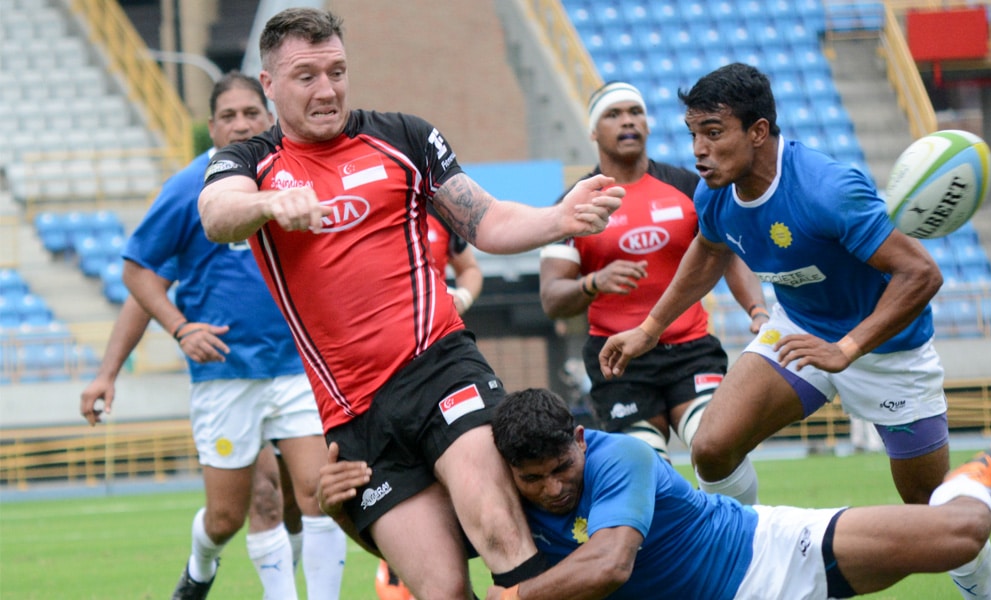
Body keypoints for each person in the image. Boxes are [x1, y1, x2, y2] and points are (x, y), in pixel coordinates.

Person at [196, 8, 623, 600]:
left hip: (440, 369)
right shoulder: (251, 161)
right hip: (356, 415)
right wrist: (268, 206)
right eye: (306, 76)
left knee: (503, 539)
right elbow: (217, 215)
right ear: (269, 85)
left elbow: (487, 219)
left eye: (337, 71)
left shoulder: (404, 136)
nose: (328, 90)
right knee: (441, 591)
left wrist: (557, 219)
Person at [597, 62, 991, 598]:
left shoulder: (827, 190)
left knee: (934, 511)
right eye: (694, 134)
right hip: (799, 333)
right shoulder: (716, 193)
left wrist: (850, 347)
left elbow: (921, 273)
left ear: (758, 131)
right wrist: (651, 328)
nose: (698, 149)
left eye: (713, 133)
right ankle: (736, 564)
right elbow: (710, 249)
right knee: (713, 447)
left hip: (888, 354)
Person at [317, 388, 991, 600]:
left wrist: (519, 598)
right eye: (533, 480)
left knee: (957, 538)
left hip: (771, 559)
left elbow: (609, 565)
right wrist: (352, 508)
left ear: (580, 441)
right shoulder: (506, 503)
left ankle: (977, 478)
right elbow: (422, 559)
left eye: (560, 470)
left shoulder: (619, 459)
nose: (551, 488)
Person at [120, 71, 345, 600]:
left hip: (298, 367)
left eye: (251, 113)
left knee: (318, 494)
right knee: (228, 516)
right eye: (229, 115)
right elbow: (138, 271)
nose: (241, 124)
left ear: (269, 116)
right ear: (211, 127)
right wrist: (180, 329)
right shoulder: (186, 189)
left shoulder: (295, 175)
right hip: (224, 374)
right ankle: (201, 568)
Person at [539, 81, 768, 480]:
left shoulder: (690, 186)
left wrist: (758, 310)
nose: (627, 121)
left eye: (635, 112)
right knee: (648, 474)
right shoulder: (572, 205)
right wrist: (594, 282)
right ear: (594, 131)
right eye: (613, 114)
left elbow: (727, 252)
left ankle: (742, 537)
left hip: (691, 349)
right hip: (618, 361)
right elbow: (552, 298)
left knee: (717, 448)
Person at [79, 264, 306, 590]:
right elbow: (145, 285)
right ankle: (199, 569)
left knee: (301, 504)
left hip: (298, 372)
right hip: (229, 379)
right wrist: (107, 374)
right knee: (249, 506)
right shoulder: (195, 215)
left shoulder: (299, 215)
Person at [375, 207, 483, 598]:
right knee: (406, 473)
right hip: (383, 371)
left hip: (443, 359)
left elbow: (470, 268)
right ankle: (401, 565)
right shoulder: (368, 215)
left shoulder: (440, 214)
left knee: (462, 468)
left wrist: (463, 297)